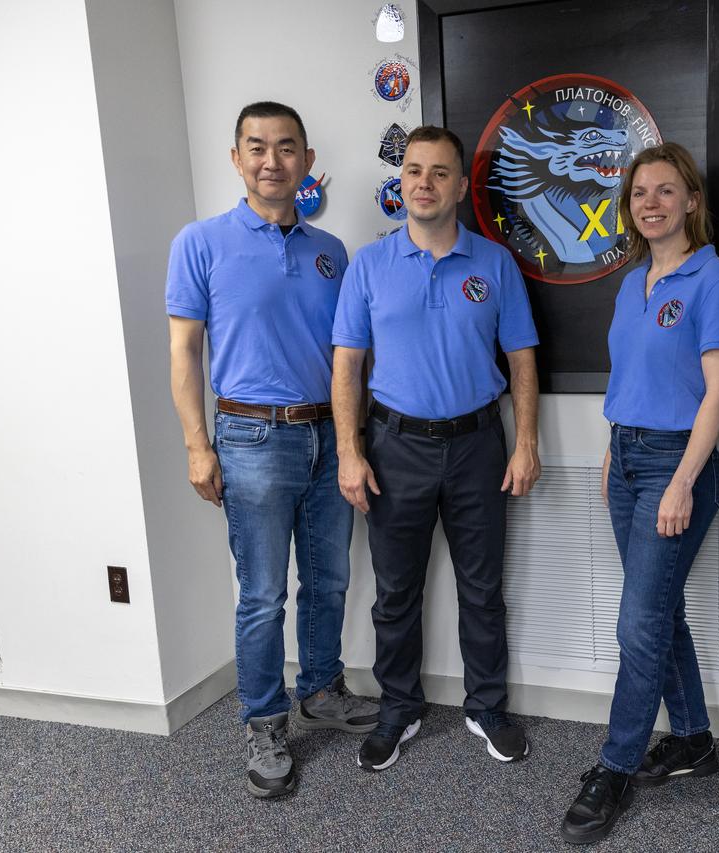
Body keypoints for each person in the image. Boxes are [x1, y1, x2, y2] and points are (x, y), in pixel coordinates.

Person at [166, 101, 378, 799]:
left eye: (286, 148)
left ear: (307, 162)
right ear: (236, 159)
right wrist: (199, 445)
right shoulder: (200, 242)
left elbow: (349, 358)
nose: (271, 160)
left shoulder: (331, 252)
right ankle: (263, 719)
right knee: (261, 594)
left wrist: (352, 439)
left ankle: (320, 687)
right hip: (252, 436)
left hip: (327, 435)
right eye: (257, 147)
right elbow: (184, 352)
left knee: (329, 580)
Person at [331, 125, 542, 772]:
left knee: (483, 589)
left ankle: (486, 705)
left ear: (460, 185)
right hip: (395, 448)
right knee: (396, 592)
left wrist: (527, 441)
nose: (424, 182)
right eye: (414, 170)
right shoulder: (369, 264)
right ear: (402, 182)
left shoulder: (494, 264)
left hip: (479, 444)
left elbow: (522, 357)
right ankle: (400, 708)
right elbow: (347, 364)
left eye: (439, 172)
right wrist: (349, 450)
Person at [560, 143, 719, 845]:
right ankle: (694, 739)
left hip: (678, 464)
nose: (651, 203)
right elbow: (632, 379)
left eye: (666, 191)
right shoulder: (632, 281)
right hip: (628, 456)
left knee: (637, 624)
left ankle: (615, 764)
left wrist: (681, 481)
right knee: (660, 614)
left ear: (692, 201)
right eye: (640, 192)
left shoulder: (715, 281)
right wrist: (614, 450)